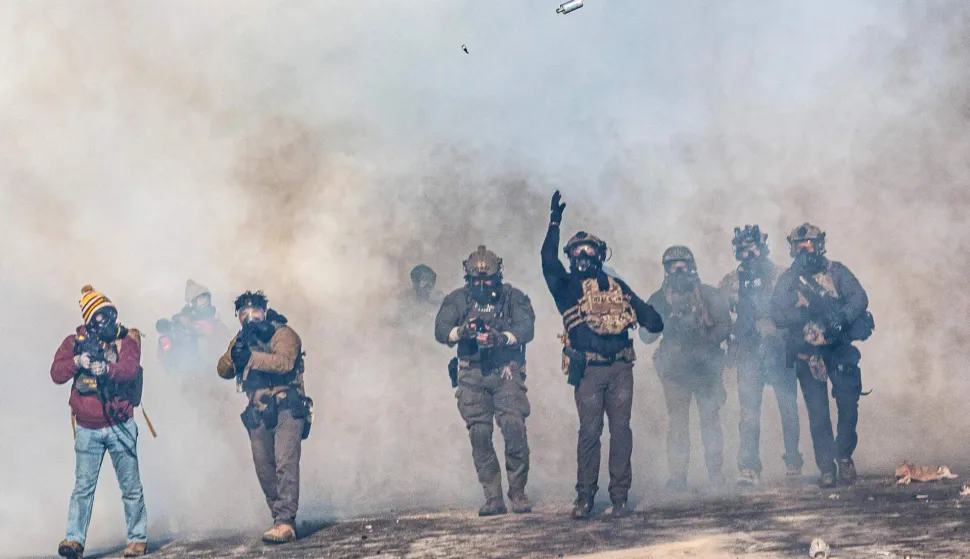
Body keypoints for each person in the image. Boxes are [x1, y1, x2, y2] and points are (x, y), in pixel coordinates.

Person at [541, 191, 664, 520]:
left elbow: (651, 318)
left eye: (589, 251)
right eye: (577, 251)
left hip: (621, 367)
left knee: (621, 431)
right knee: (590, 433)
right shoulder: (564, 286)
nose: (583, 256)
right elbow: (547, 261)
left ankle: (620, 496)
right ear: (570, 256)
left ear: (599, 255)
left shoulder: (616, 286)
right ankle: (584, 498)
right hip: (589, 371)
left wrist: (652, 316)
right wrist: (554, 223)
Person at [434, 246, 536, 516]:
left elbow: (527, 328)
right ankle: (493, 496)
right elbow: (441, 330)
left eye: (487, 279)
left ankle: (518, 491)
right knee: (479, 433)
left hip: (505, 370)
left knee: (514, 426)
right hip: (472, 374)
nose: (482, 284)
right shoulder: (457, 300)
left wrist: (502, 338)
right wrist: (462, 331)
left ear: (498, 276)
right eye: (476, 280)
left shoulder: (513, 297)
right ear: (467, 278)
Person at [770, 223, 873, 488]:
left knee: (849, 404)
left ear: (820, 245)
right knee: (818, 413)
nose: (805, 251)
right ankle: (827, 467)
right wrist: (802, 316)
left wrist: (839, 318)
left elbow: (859, 299)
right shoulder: (788, 280)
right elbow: (777, 314)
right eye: (798, 246)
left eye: (809, 245)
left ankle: (844, 454)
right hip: (809, 352)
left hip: (838, 347)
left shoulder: (835, 271)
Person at [50, 285, 148, 558]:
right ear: (89, 319)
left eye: (110, 314)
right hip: (87, 428)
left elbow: (129, 370)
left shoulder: (126, 339)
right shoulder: (74, 343)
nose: (108, 320)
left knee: (130, 486)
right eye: (101, 315)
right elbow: (56, 373)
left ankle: (137, 538)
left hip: (120, 425)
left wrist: (107, 369)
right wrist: (77, 362)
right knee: (83, 488)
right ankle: (74, 540)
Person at [216, 291, 312, 543]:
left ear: (265, 311)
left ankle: (285, 521)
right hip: (257, 411)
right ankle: (277, 515)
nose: (250, 317)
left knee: (285, 463)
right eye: (243, 314)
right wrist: (234, 354)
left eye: (255, 311)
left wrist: (251, 358)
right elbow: (223, 370)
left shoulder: (283, 334)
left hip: (286, 408)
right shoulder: (242, 338)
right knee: (264, 468)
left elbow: (284, 363)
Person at [641, 246, 732, 492]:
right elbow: (646, 336)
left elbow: (725, 325)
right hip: (675, 373)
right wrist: (664, 315)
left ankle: (715, 475)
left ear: (692, 266)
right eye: (673, 266)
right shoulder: (660, 299)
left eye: (683, 265)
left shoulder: (707, 294)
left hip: (706, 370)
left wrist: (707, 343)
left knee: (710, 422)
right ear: (666, 270)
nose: (679, 270)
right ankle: (678, 478)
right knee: (678, 426)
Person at [718, 225, 802, 486]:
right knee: (748, 412)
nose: (747, 254)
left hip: (779, 350)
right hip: (749, 352)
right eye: (742, 250)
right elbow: (720, 315)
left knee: (788, 407)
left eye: (752, 248)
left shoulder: (781, 276)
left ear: (763, 248)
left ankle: (793, 461)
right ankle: (748, 466)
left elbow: (798, 309)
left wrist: (777, 327)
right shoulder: (731, 280)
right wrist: (730, 337)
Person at [156, 279, 230, 375]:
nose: (205, 303)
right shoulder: (180, 322)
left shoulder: (216, 324)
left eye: (206, 299)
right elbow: (167, 355)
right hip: (185, 376)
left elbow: (223, 348)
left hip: (211, 374)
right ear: (192, 303)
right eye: (201, 300)